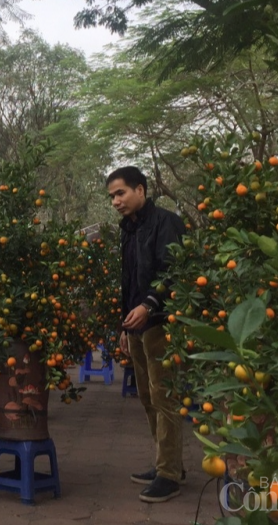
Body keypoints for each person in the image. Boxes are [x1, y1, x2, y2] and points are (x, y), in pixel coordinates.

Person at [106, 165, 186, 503]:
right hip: (136, 327)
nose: (116, 202)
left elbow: (176, 270)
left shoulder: (166, 222)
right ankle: (166, 462)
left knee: (164, 397)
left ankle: (169, 473)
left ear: (141, 190)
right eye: (111, 197)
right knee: (146, 396)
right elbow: (129, 280)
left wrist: (150, 305)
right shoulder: (128, 229)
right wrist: (123, 326)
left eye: (120, 193)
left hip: (161, 323)